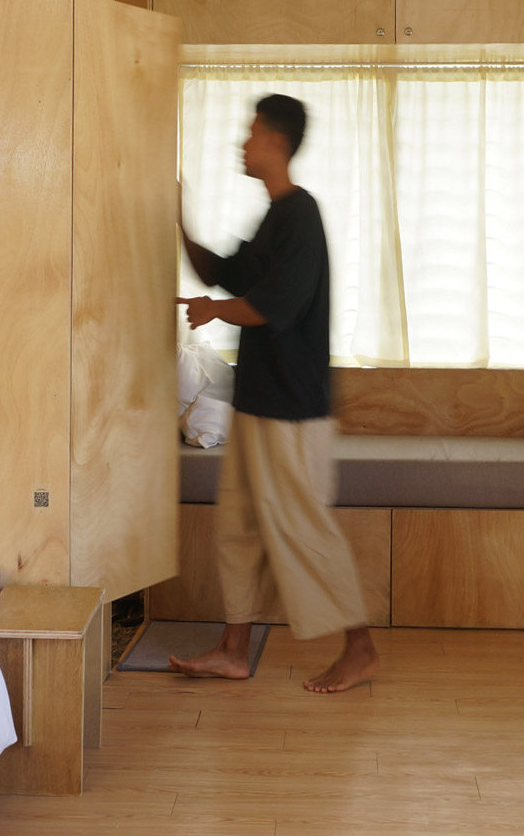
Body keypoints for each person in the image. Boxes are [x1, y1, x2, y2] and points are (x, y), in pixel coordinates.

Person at [168, 94, 378, 694]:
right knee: (236, 527)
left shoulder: (301, 216)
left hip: (291, 407)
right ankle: (233, 651)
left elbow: (273, 306)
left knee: (302, 528)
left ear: (277, 143)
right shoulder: (274, 217)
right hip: (257, 402)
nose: (244, 141)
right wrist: (178, 221)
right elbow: (222, 273)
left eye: (252, 132)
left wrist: (215, 311)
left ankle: (360, 648)